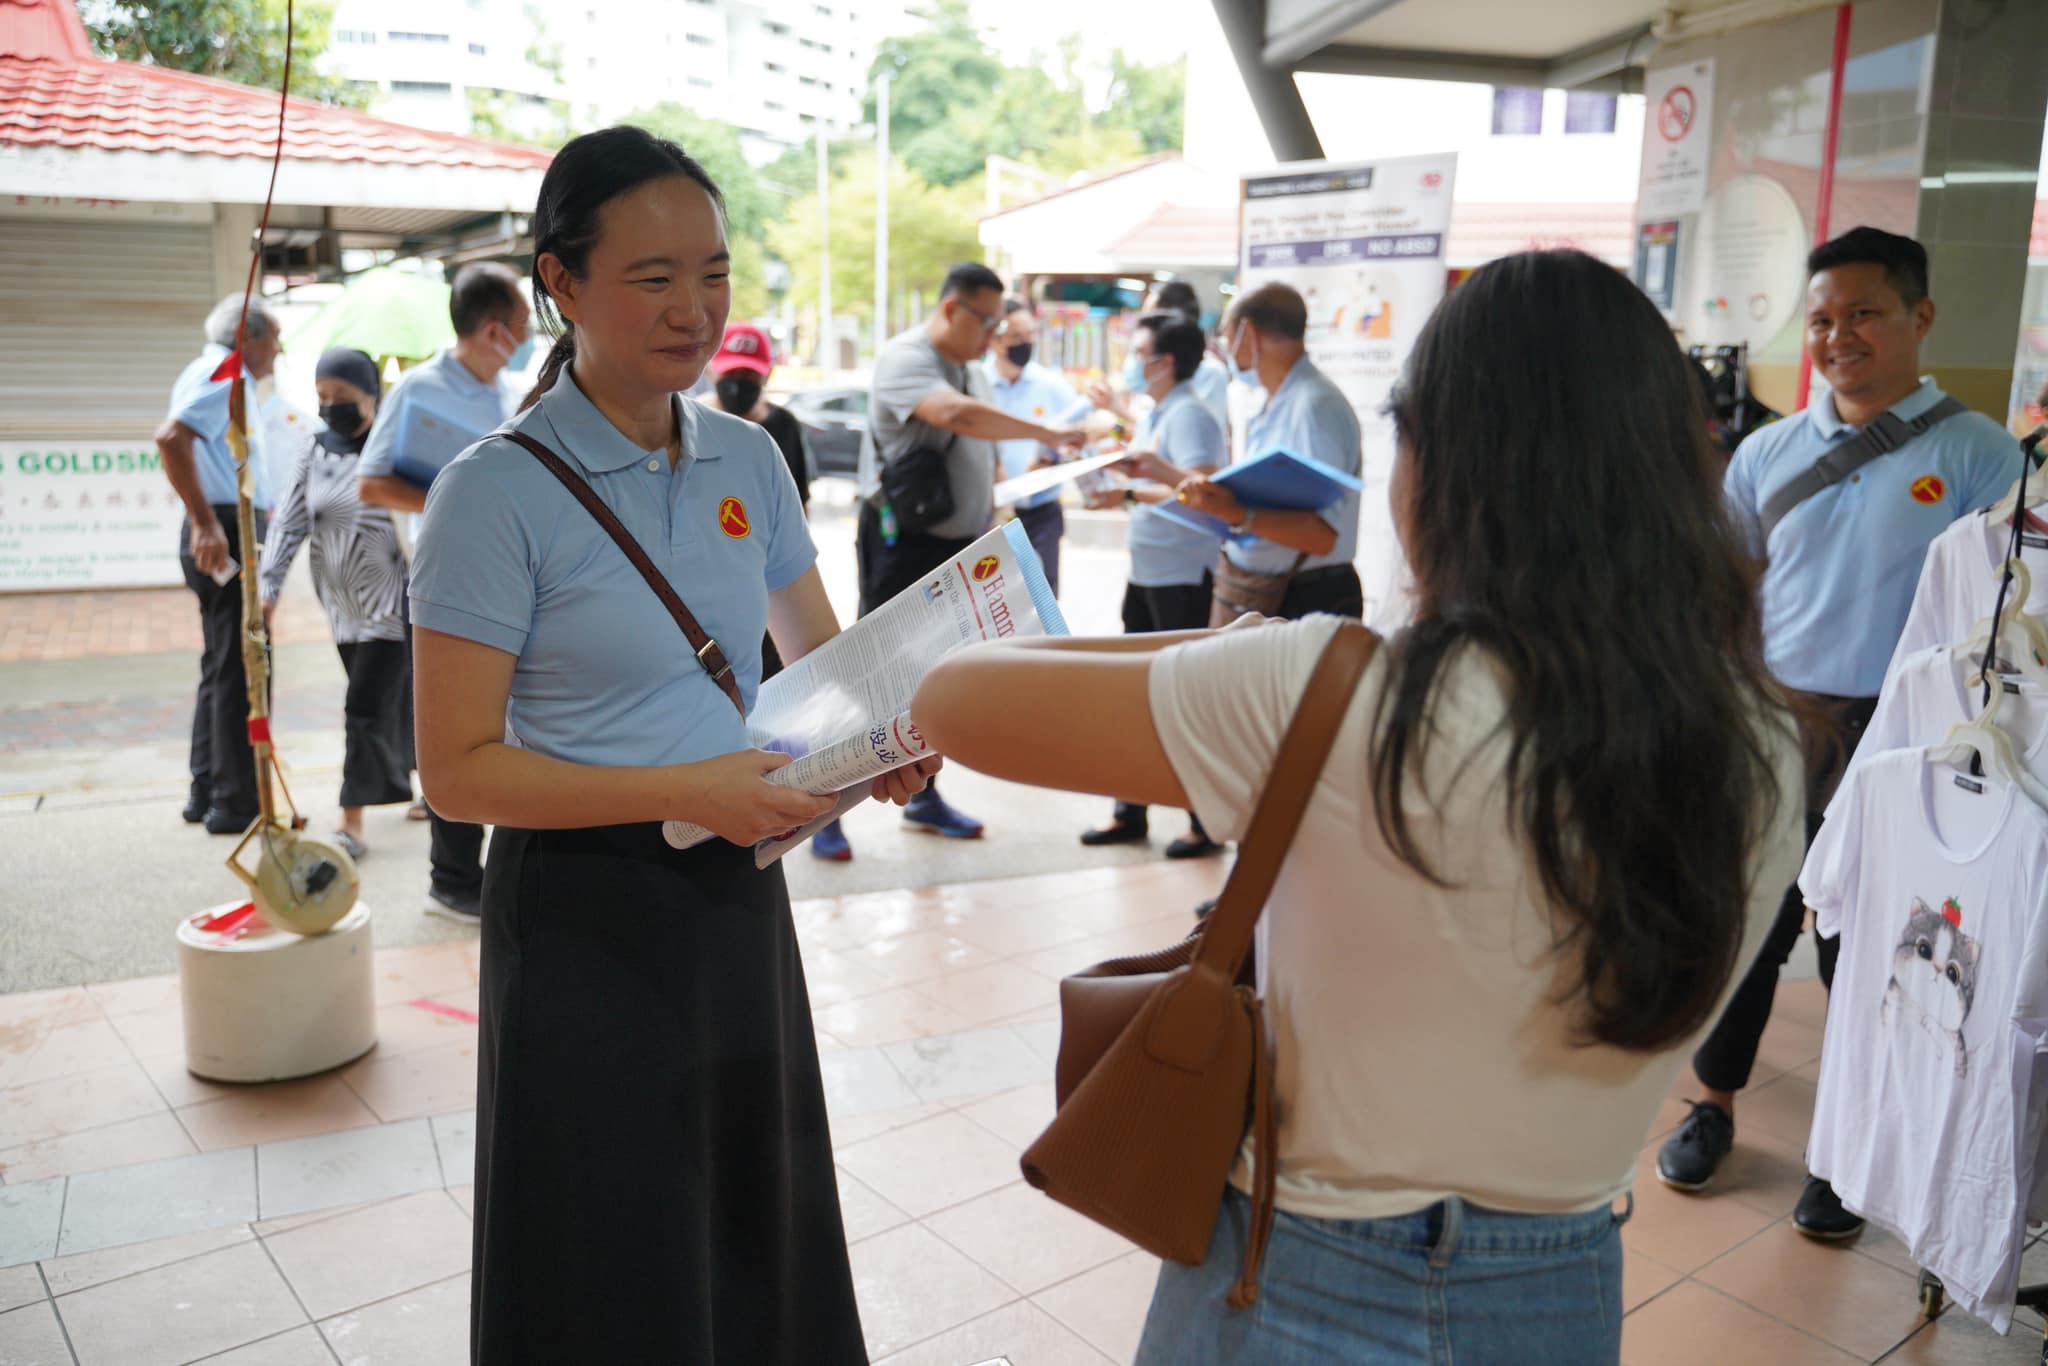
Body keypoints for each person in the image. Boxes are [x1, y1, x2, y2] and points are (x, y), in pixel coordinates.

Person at [912, 248, 1805, 1364]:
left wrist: (1233, 646)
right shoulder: (1759, 740)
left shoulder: (1339, 693)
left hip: (1290, 1278)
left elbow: (950, 697)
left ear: (1443, 468)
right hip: (1560, 1287)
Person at [408, 125, 936, 1364]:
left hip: (734, 889)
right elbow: (458, 769)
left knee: (753, 1217)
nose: (693, 310)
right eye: (653, 279)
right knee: (606, 1243)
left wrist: (886, 741)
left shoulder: (747, 455)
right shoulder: (492, 492)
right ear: (561, 282)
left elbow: (820, 671)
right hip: (581, 910)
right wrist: (684, 784)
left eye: (714, 273)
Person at [1657, 225, 2018, 1238]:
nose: (1837, 335)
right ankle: (1710, 1104)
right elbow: (1722, 594)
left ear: (1919, 317)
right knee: (1748, 928)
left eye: (1862, 312)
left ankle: (1840, 1154)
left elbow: (1998, 618)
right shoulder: (1765, 452)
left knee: (1870, 953)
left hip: (1904, 744)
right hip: (1771, 720)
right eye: (1819, 318)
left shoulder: (1978, 455)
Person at [844, 261, 1086, 848]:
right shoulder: (906, 359)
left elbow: (980, 447)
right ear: (952, 309)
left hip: (953, 544)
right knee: (872, 676)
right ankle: (825, 812)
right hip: (902, 542)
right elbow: (953, 416)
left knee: (929, 681)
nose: (995, 335)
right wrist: (1049, 434)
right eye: (986, 321)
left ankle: (922, 800)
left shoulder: (971, 369)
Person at [358, 262, 532, 924]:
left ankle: (489, 864)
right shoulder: (419, 390)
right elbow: (371, 483)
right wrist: (458, 501)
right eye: (519, 328)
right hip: (441, 585)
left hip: (511, 577)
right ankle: (451, 877)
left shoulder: (510, 394)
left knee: (506, 730)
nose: (523, 339)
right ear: (491, 331)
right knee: (455, 730)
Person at [1078, 311, 1226, 859]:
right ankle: (1130, 811)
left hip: (1182, 575)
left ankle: (1203, 822)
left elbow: (1204, 493)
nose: (1130, 365)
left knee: (1184, 697)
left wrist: (1131, 494)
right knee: (1135, 693)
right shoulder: (1161, 411)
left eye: (1136, 353)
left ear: (1164, 361)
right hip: (1151, 570)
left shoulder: (1190, 415)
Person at [257, 348, 411, 858]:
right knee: (394, 700)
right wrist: (269, 587)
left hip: (395, 600)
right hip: (341, 605)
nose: (330, 408)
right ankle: (428, 786)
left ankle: (351, 822)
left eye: (341, 398)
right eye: (322, 397)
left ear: (371, 394)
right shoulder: (313, 449)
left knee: (362, 707)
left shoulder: (393, 447)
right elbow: (290, 522)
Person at [158, 294, 281, 834]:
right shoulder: (223, 368)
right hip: (228, 528)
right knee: (241, 666)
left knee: (224, 662)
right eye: (274, 337)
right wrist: (206, 523)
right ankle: (234, 802)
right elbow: (171, 438)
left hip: (229, 524)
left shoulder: (213, 369)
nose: (279, 350)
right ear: (247, 337)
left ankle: (208, 787)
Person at [1180, 282, 1366, 621]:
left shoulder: (1314, 406)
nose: (1226, 351)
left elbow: (1321, 535)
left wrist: (1239, 514)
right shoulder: (1276, 399)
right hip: (1269, 589)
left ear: (1247, 334)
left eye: (1226, 338)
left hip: (1306, 596)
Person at [986, 298, 1079, 595]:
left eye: (1030, 336)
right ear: (995, 340)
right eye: (1016, 337)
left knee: (1043, 599)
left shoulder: (1051, 385)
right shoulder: (977, 385)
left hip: (1041, 514)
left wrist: (1055, 459)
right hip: (991, 514)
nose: (1025, 344)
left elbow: (1081, 436)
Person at [707, 321, 809, 510]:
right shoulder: (691, 424)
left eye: (749, 374)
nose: (738, 383)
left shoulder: (784, 425)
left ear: (766, 376)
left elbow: (799, 503)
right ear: (711, 371)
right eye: (730, 372)